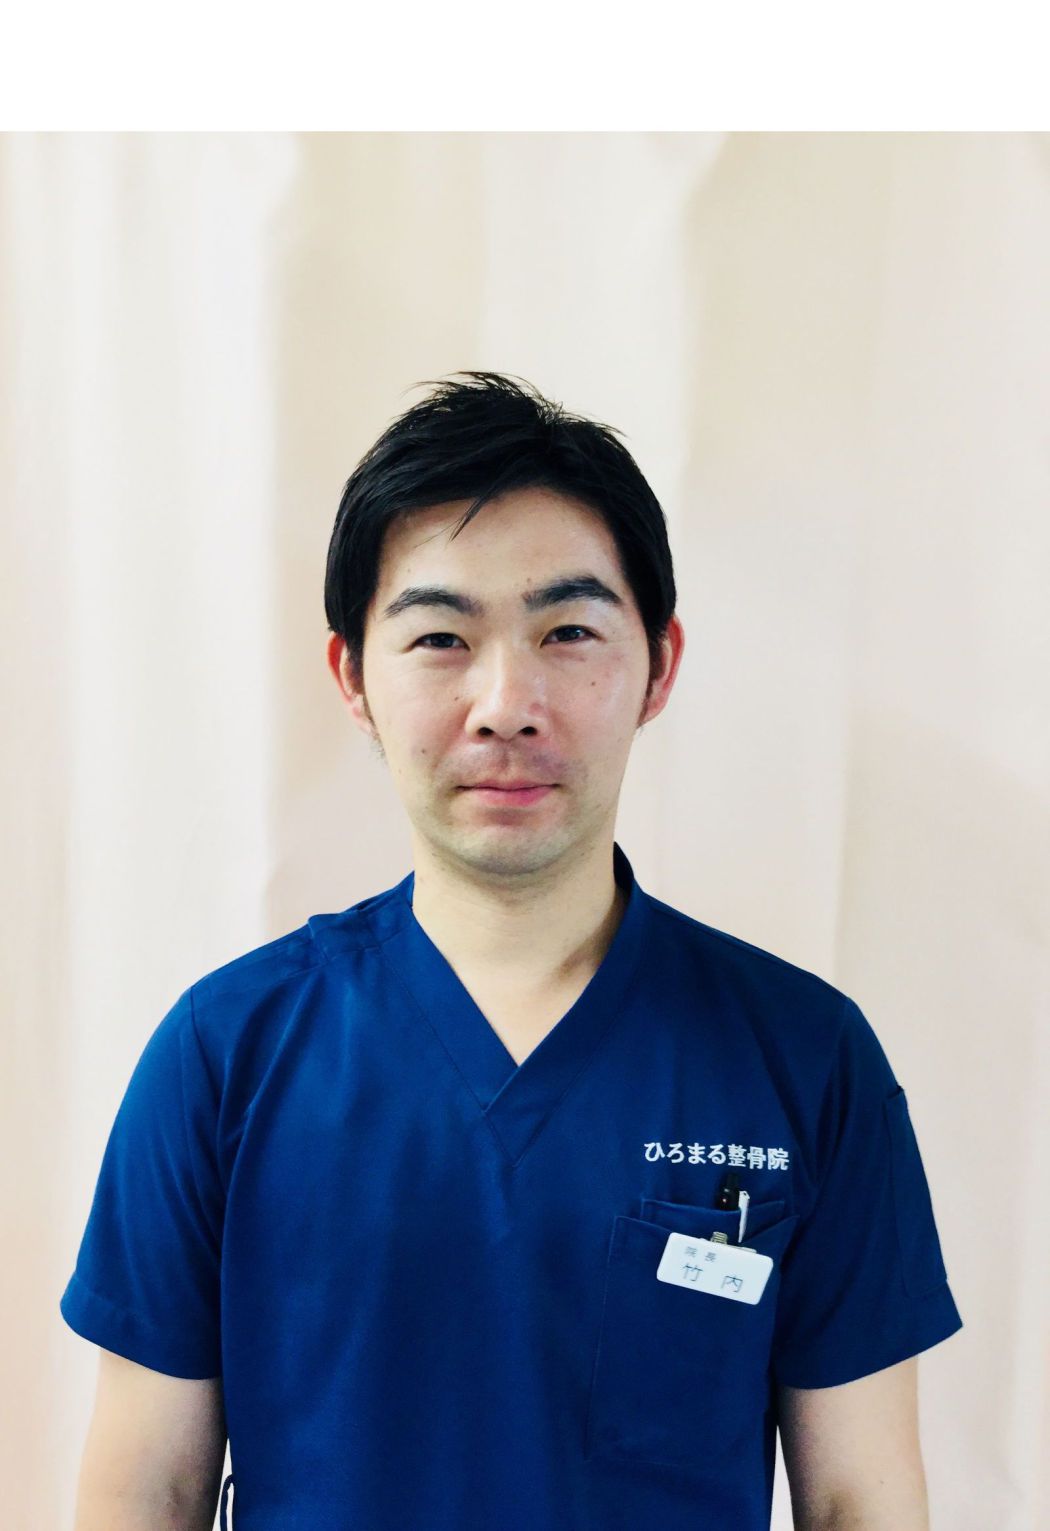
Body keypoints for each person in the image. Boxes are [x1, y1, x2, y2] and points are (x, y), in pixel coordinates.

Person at [61, 371, 963, 1531]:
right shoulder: (225, 1054)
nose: (505, 702)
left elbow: (859, 1497)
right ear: (353, 677)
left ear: (659, 664)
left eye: (567, 632)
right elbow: (147, 1489)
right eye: (441, 637)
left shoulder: (804, 1058)